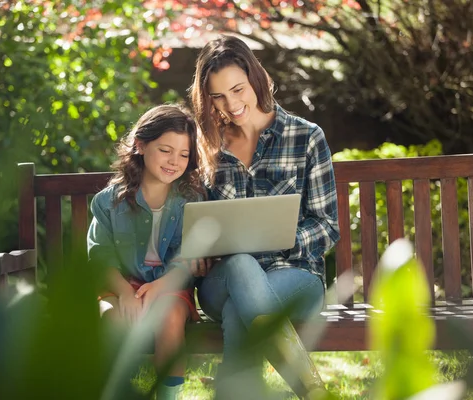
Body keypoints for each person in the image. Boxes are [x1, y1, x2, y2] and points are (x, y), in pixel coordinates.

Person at [189, 35, 340, 399]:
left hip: (296, 277)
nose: (231, 104)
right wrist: (195, 246)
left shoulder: (305, 136)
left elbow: (327, 226)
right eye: (218, 96)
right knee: (240, 264)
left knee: (239, 312)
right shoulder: (206, 145)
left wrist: (283, 238)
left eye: (238, 89)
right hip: (221, 281)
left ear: (256, 78)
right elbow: (190, 216)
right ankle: (311, 389)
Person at [87, 104, 205, 400]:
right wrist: (125, 293)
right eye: (165, 150)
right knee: (110, 318)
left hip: (169, 285)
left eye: (183, 154)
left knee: (169, 317)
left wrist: (161, 286)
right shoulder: (107, 202)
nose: (174, 161)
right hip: (121, 284)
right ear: (140, 145)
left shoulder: (191, 200)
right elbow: (99, 256)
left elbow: (189, 257)